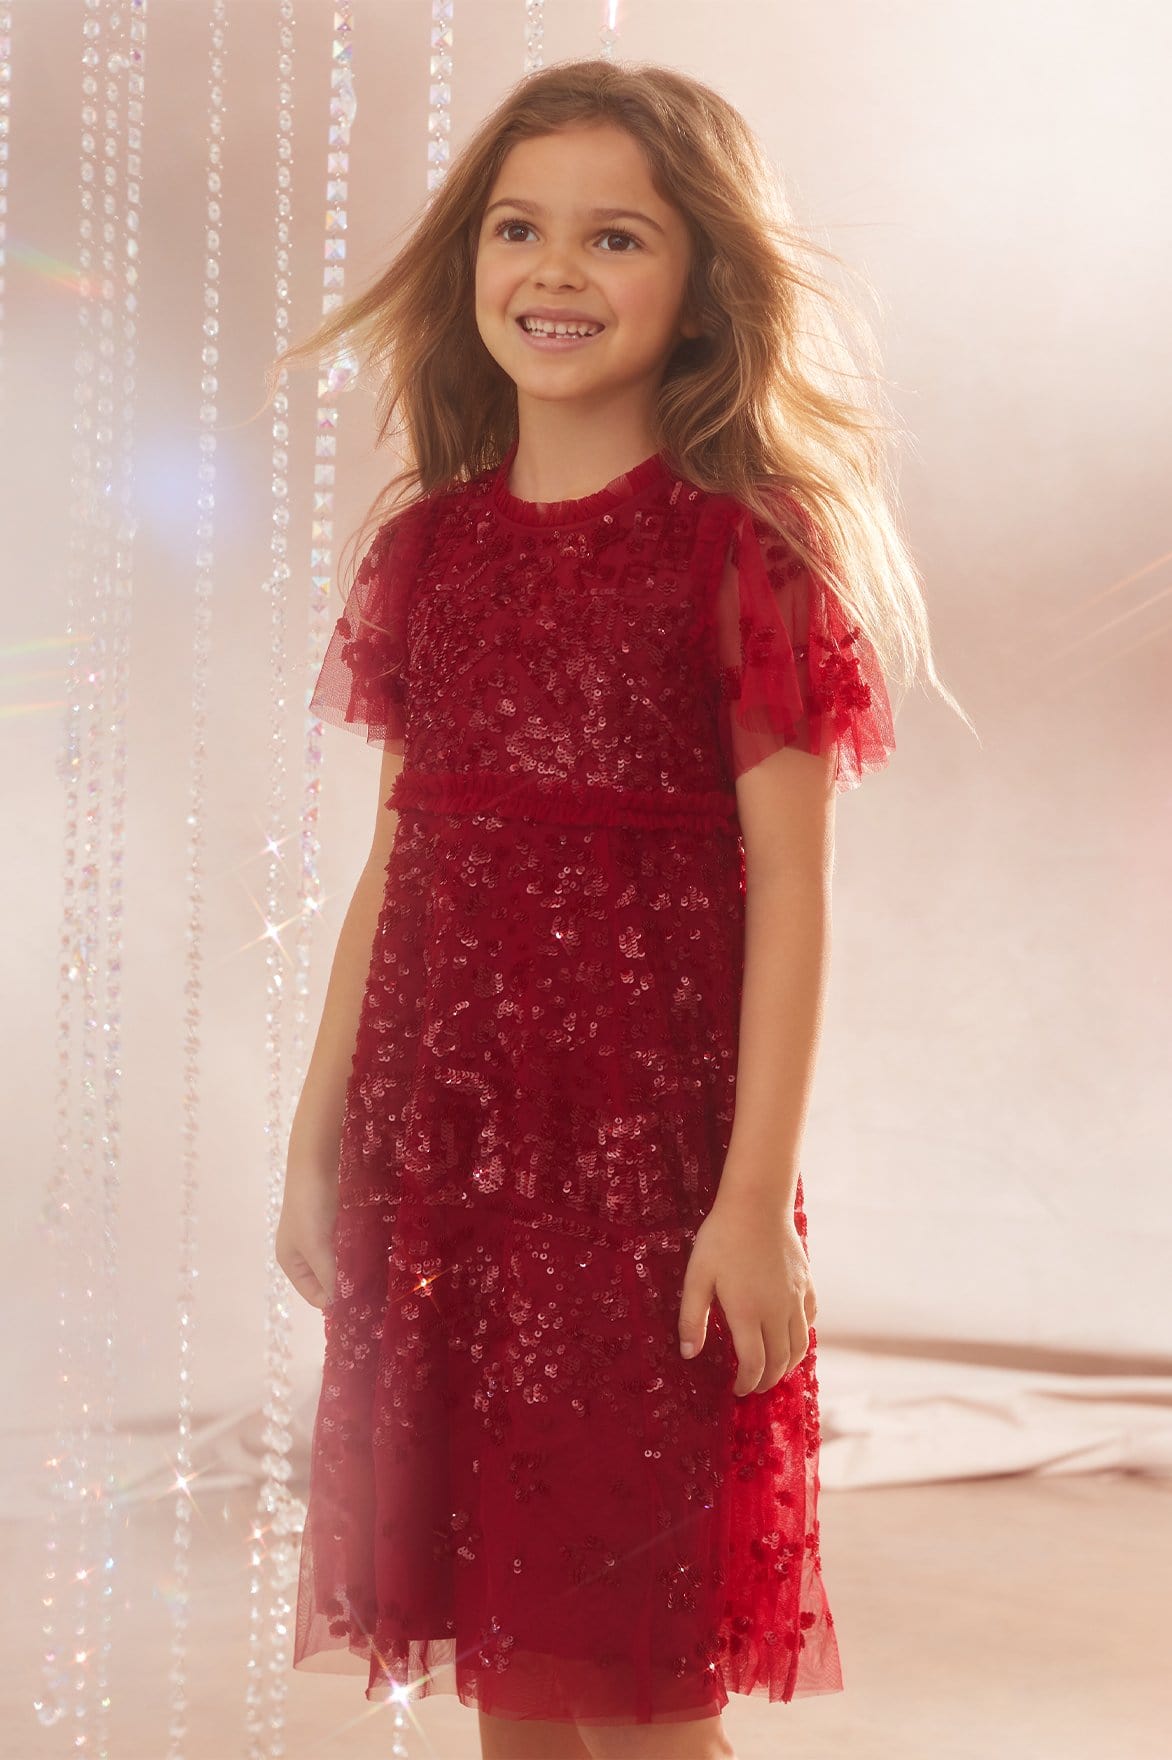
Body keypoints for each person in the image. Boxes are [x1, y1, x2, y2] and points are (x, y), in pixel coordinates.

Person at [274, 56, 963, 1760]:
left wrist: (751, 1205)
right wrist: (316, 1138)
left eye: (617, 236)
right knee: (509, 1668)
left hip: (642, 1194)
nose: (556, 271)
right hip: (448, 1172)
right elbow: (399, 861)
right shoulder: (432, 556)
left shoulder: (740, 556)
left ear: (704, 283)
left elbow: (793, 891)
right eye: (519, 228)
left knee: (641, 1687)